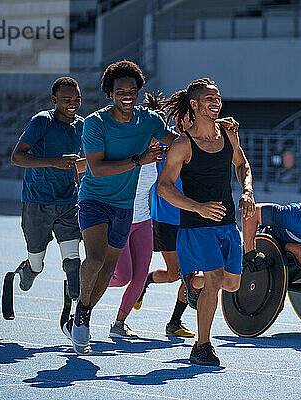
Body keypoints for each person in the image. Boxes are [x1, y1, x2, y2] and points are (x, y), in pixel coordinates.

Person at [63, 60, 178, 355]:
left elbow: (178, 143)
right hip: (94, 200)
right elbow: (97, 169)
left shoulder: (149, 121)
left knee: (112, 269)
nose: (126, 94)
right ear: (109, 93)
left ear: (139, 91)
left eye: (132, 90)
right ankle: (83, 315)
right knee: (97, 258)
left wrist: (214, 133)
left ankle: (83, 310)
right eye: (119, 90)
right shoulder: (95, 123)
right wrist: (140, 159)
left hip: (125, 208)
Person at [158, 78, 255, 366]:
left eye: (218, 97)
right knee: (214, 281)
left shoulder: (228, 134)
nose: (216, 102)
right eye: (209, 98)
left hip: (227, 225)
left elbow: (242, 164)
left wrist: (247, 190)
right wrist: (197, 207)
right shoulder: (182, 144)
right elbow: (164, 187)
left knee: (233, 284)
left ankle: (192, 282)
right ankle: (202, 346)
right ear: (195, 104)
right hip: (196, 226)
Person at [10, 76, 86, 303]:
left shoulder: (81, 125)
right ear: (54, 99)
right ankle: (30, 270)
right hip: (37, 201)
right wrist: (54, 162)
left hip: (68, 201)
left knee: (73, 260)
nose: (72, 103)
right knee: (36, 260)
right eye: (66, 99)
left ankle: (77, 304)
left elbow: (75, 164)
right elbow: (16, 157)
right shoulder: (42, 121)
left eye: (77, 98)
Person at [133, 92, 195, 338]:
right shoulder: (164, 137)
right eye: (188, 118)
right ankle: (145, 282)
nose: (191, 122)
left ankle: (174, 322)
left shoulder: (199, 140)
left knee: (192, 272)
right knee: (174, 274)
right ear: (179, 118)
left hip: (192, 216)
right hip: (167, 217)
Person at [107, 143, 158, 339]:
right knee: (122, 277)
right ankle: (84, 284)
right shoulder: (124, 149)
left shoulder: (157, 153)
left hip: (143, 221)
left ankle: (119, 324)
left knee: (140, 277)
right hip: (119, 220)